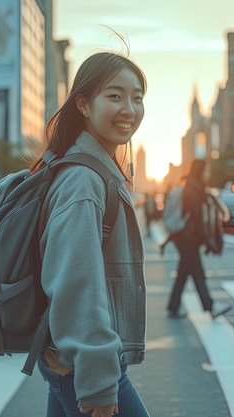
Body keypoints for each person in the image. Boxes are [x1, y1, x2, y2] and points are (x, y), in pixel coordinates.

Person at [32, 51, 150, 417]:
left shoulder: (95, 171)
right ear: (83, 104)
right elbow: (76, 282)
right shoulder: (84, 180)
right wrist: (99, 382)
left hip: (70, 361)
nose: (129, 108)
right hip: (85, 367)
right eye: (114, 96)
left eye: (137, 97)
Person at [166, 159, 231, 319]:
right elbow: (198, 219)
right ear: (200, 172)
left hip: (185, 237)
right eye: (206, 171)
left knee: (184, 272)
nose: (208, 174)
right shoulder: (193, 191)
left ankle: (173, 306)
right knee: (197, 272)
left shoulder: (194, 189)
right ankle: (210, 307)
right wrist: (209, 240)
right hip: (187, 238)